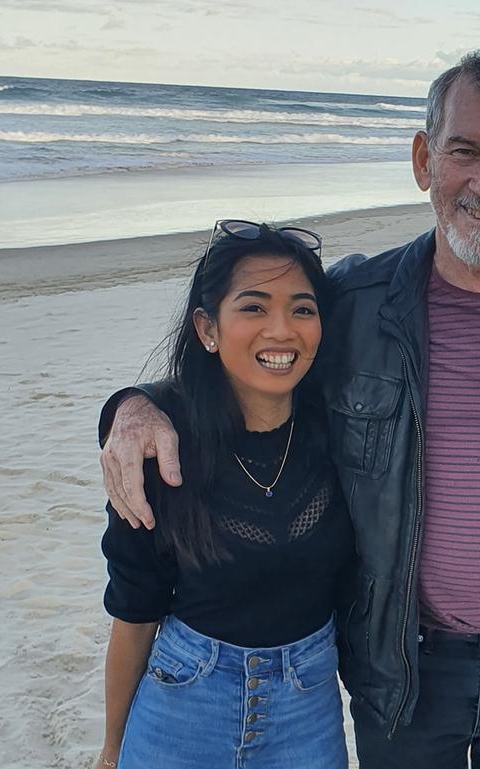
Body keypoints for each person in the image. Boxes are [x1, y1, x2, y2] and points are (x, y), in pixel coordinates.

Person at [96, 52, 480, 768]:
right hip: (404, 664)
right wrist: (132, 406)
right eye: (464, 152)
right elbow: (247, 363)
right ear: (423, 159)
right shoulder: (353, 304)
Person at [96, 221, 352, 769]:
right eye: (254, 308)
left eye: (302, 309)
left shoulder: (343, 433)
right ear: (207, 329)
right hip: (184, 700)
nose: (281, 330)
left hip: (308, 707)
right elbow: (134, 610)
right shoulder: (160, 449)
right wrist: (113, 745)